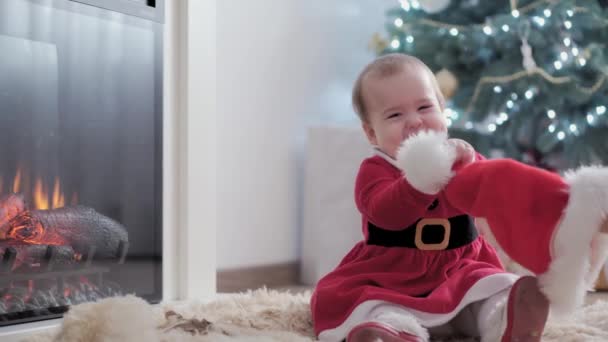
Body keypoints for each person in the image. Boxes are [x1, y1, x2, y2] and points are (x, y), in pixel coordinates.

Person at [310, 53, 549, 342]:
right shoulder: (375, 169)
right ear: (372, 133)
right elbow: (385, 213)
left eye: (424, 107)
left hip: (459, 266)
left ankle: (504, 321)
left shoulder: (459, 157)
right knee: (367, 301)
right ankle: (393, 331)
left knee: (492, 287)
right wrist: (419, 181)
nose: (415, 121)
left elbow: (489, 193)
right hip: (393, 273)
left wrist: (471, 164)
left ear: (443, 110)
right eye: (395, 115)